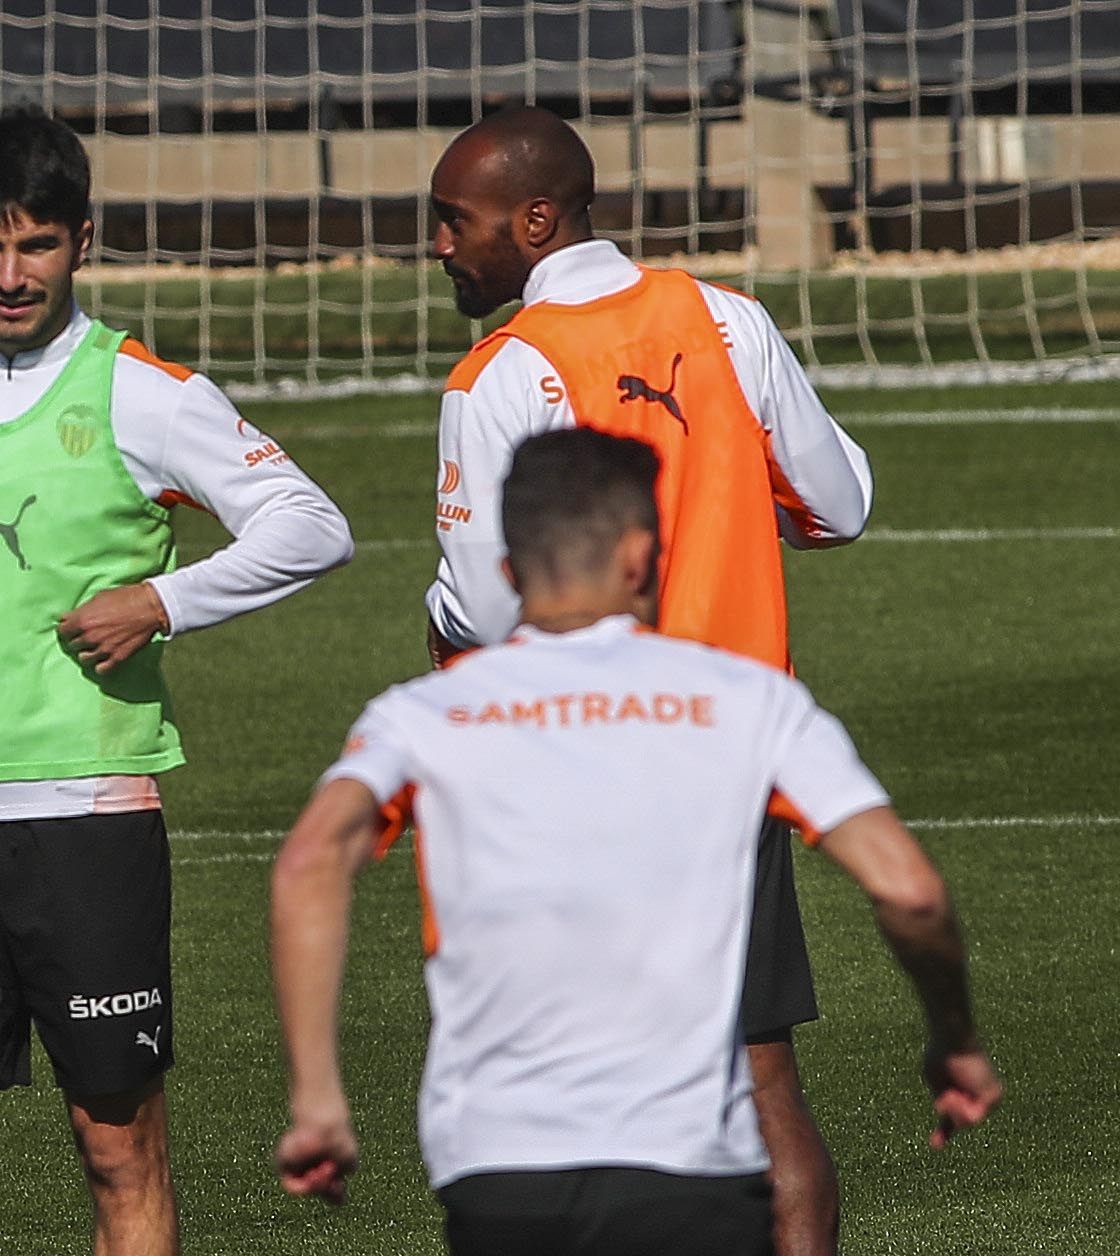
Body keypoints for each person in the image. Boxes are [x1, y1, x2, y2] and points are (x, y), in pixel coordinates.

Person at [272, 428, 1001, 1256]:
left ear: (509, 571)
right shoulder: (747, 700)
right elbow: (910, 890)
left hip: (499, 1168)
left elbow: (309, 860)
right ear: (643, 557)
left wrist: (318, 1101)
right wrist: (954, 1038)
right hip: (691, 1167)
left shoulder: (425, 713)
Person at [0, 104, 354, 1256]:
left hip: (87, 819)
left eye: (37, 243)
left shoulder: (146, 393)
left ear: (85, 238)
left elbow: (310, 524)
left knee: (118, 1143)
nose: (10, 272)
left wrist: (162, 600)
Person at [419, 106, 877, 1255]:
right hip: (726, 759)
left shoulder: (499, 374)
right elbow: (839, 503)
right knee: (762, 1077)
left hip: (576, 776)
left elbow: (480, 610)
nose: (439, 245)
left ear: (534, 219)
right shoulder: (726, 318)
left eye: (452, 221)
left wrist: (436, 624)